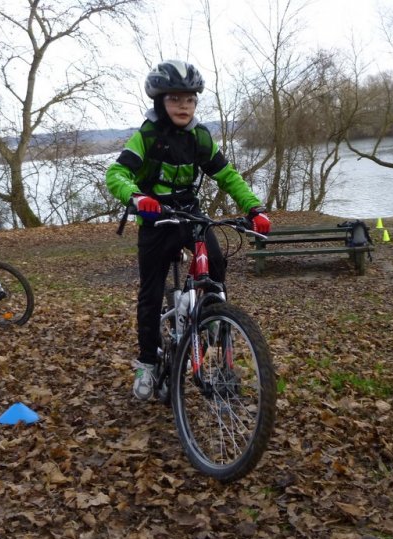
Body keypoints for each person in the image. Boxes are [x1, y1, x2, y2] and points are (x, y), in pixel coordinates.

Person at [105, 59, 271, 401]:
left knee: (217, 264)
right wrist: (137, 197)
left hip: (191, 215)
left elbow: (227, 176)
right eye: (175, 99)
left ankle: (211, 316)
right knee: (150, 294)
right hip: (155, 220)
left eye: (190, 99)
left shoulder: (199, 137)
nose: (184, 106)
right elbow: (116, 175)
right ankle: (148, 363)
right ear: (160, 102)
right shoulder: (147, 136)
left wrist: (254, 207)